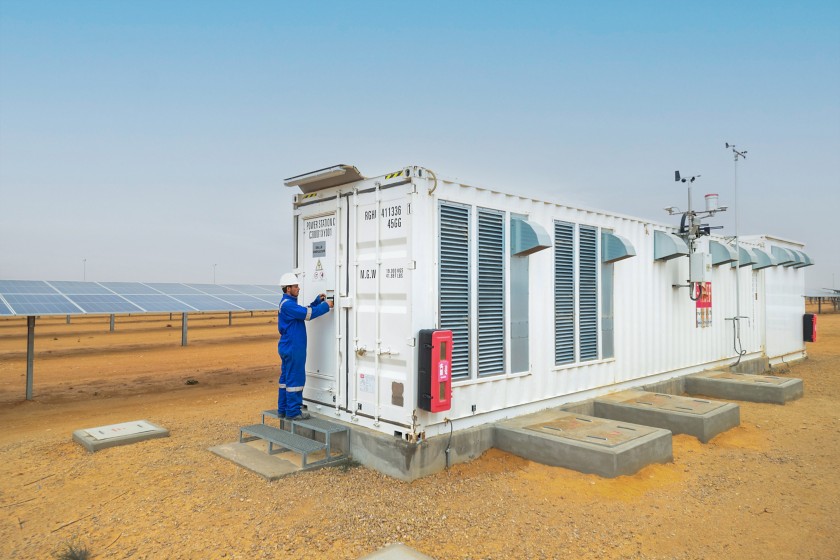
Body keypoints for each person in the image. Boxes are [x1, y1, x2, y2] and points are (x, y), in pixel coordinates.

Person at [277, 272, 333, 421]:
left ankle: (283, 409)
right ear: (288, 288)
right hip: (294, 348)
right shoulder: (288, 305)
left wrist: (316, 303)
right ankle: (293, 412)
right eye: (296, 286)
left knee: (286, 379)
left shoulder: (288, 303)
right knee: (295, 379)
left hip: (288, 346)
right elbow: (307, 315)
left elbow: (303, 311)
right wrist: (325, 306)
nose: (299, 288)